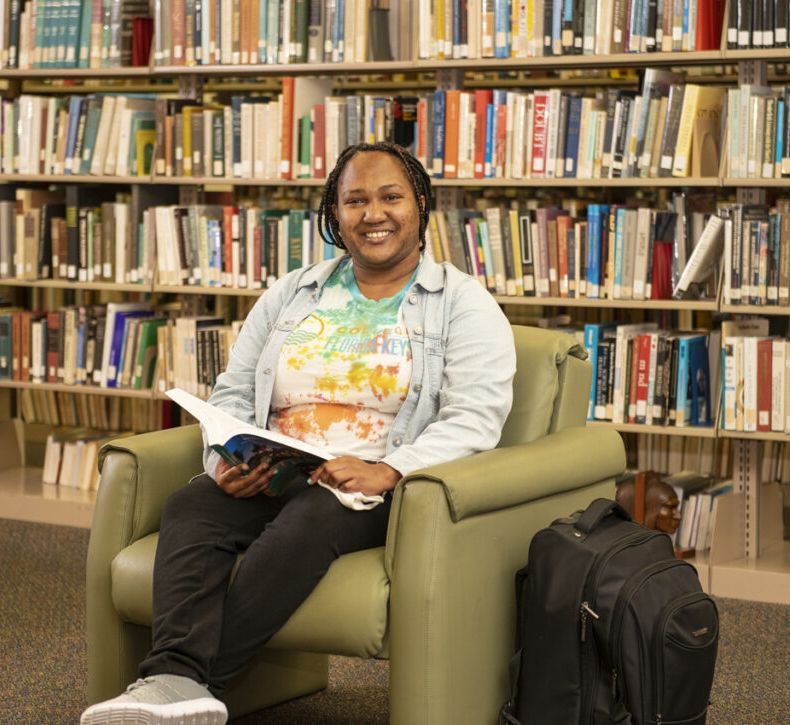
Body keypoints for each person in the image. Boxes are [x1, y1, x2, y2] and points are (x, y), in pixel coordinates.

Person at [80, 142, 517, 725]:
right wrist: (225, 460)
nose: (373, 213)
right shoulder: (294, 293)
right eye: (354, 200)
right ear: (334, 215)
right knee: (192, 504)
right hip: (277, 468)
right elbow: (234, 390)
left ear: (420, 206)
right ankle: (174, 682)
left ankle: (186, 686)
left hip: (374, 487)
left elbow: (475, 418)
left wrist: (389, 469)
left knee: (312, 517)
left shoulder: (462, 305)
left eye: (391, 197)